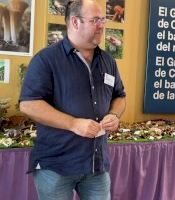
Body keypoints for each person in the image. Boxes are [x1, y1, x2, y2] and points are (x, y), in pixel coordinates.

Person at [19, 0, 126, 199]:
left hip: (96, 166)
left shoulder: (108, 62)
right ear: (75, 22)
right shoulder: (46, 60)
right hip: (56, 167)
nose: (102, 25)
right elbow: (28, 104)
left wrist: (114, 114)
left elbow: (119, 96)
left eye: (103, 19)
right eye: (95, 20)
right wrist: (73, 124)